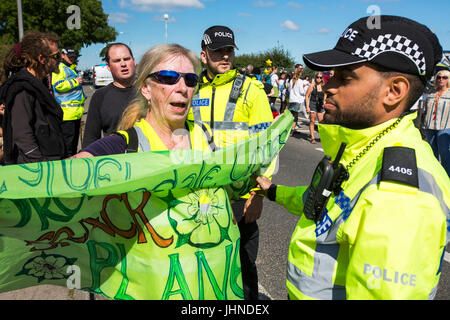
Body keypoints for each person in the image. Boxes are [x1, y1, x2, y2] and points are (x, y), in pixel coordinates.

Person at [253, 15, 449, 299]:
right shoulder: (363, 144)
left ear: (394, 91)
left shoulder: (400, 197)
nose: (328, 86)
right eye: (331, 75)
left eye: (345, 77)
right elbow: (324, 205)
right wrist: (274, 192)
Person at [70, 43, 243, 300]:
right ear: (146, 89)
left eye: (190, 79)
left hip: (206, 288)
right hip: (149, 290)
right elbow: (70, 175)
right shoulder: (125, 144)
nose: (182, 87)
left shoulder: (206, 136)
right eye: (168, 78)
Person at [190, 25, 274, 300]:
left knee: (244, 268)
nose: (225, 56)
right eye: (218, 51)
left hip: (240, 197)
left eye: (229, 50)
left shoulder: (252, 90)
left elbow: (267, 147)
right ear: (204, 55)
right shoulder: (191, 88)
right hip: (200, 197)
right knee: (206, 267)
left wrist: (259, 195)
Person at [0, 30, 66, 165]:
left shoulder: (38, 83)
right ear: (41, 59)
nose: (60, 59)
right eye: (56, 56)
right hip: (38, 169)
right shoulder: (23, 88)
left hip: (51, 161)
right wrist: (41, 166)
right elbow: (22, 135)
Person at [82, 43, 136, 148]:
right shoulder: (100, 96)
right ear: (108, 66)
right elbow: (90, 140)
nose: (123, 64)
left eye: (126, 59)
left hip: (148, 160)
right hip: (116, 161)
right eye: (117, 61)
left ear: (133, 61)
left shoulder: (149, 91)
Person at [51, 47, 86, 156]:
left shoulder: (70, 68)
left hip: (75, 113)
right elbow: (57, 85)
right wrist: (75, 81)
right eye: (69, 57)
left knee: (73, 146)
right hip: (67, 114)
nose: (72, 59)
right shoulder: (60, 68)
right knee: (67, 147)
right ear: (62, 55)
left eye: (73, 57)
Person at [423, 69, 450, 176]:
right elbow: (424, 109)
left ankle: (447, 176)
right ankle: (434, 175)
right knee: (431, 152)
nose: (441, 79)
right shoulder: (431, 93)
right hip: (429, 126)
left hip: (445, 126)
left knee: (445, 153)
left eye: (444, 77)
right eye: (438, 77)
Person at [305, 72, 326, 143]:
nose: (319, 79)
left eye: (320, 77)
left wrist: (324, 102)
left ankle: (323, 137)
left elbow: (325, 95)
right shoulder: (312, 86)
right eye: (317, 77)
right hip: (313, 104)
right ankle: (312, 137)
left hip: (320, 105)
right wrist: (307, 107)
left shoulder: (323, 86)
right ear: (315, 77)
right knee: (312, 121)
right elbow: (307, 96)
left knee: (321, 122)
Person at [287, 67, 308, 134]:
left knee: (291, 114)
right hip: (297, 100)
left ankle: (289, 127)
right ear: (300, 74)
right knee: (295, 115)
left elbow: (289, 90)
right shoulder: (300, 81)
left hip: (291, 100)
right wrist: (305, 91)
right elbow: (301, 92)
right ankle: (292, 128)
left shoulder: (291, 80)